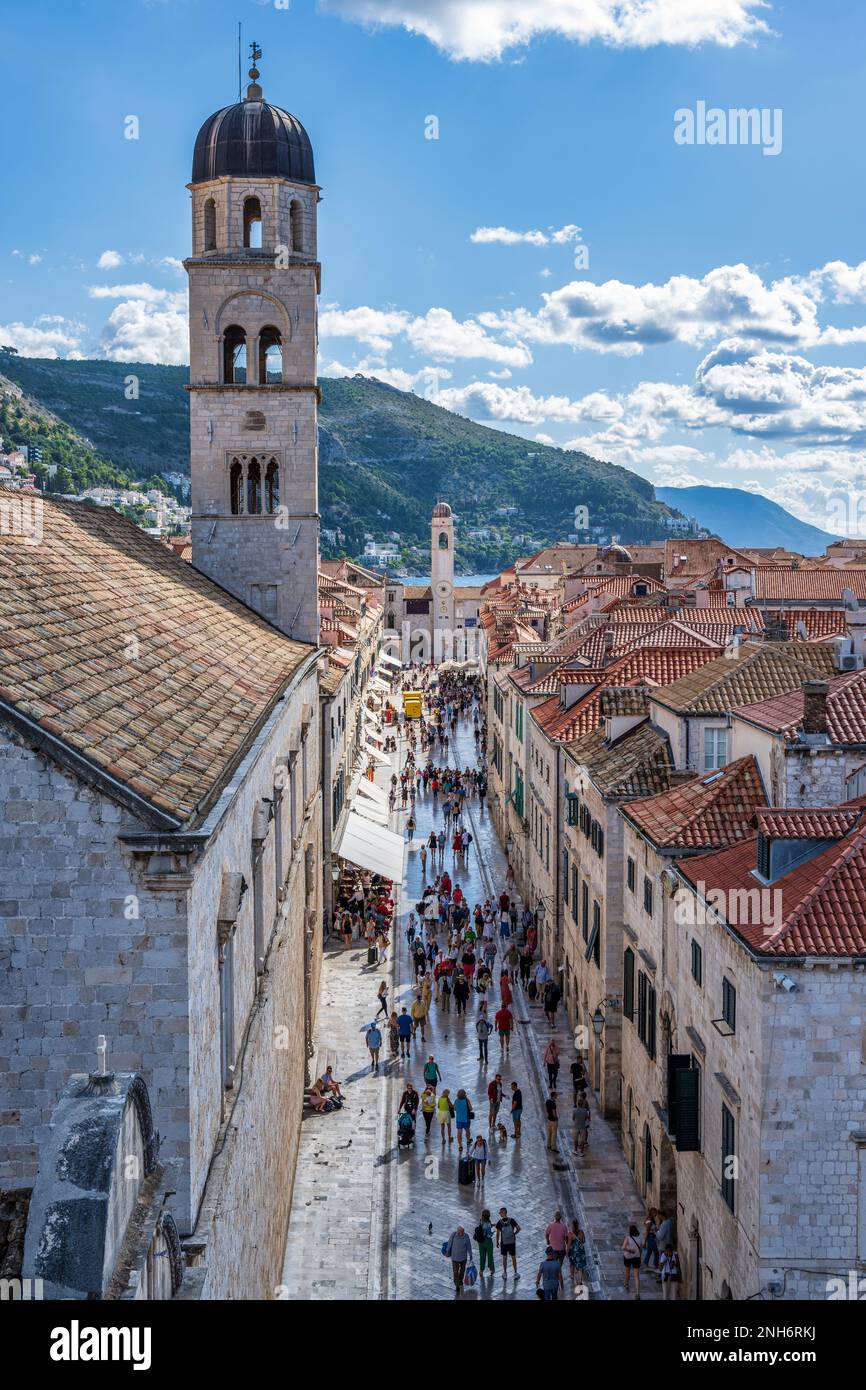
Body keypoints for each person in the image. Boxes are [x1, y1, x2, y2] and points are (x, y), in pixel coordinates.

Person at [445, 1226, 473, 1294]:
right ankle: (457, 1285)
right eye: (460, 1232)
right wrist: (447, 1251)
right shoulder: (453, 1235)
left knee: (462, 1271)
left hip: (463, 1257)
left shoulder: (466, 1237)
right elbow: (449, 1243)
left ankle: (460, 1280)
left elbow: (469, 1246)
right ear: (457, 1231)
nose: (461, 1233)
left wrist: (471, 1254)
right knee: (455, 1271)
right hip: (455, 1257)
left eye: (462, 1232)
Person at [495, 1207, 521, 1280]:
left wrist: (497, 1242)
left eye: (500, 1212)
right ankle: (515, 1272)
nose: (499, 1214)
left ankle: (505, 1273)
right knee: (513, 1257)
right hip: (512, 1242)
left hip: (504, 1242)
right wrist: (514, 1234)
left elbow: (497, 1234)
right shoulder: (512, 1220)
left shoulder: (499, 1222)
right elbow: (519, 1228)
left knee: (504, 1257)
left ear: (503, 1213)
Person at [622, 1225, 643, 1298]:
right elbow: (641, 1249)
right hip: (637, 1258)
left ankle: (626, 1283)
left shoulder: (628, 1238)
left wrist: (630, 1250)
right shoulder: (640, 1238)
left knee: (627, 1272)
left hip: (628, 1257)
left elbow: (623, 1247)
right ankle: (637, 1293)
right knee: (636, 1276)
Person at [567, 1222, 588, 1287]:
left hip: (574, 1252)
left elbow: (569, 1244)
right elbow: (584, 1241)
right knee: (581, 1267)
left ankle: (572, 1275)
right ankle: (580, 1281)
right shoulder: (581, 1232)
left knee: (572, 1263)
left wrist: (567, 1252)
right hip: (581, 1251)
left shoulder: (571, 1234)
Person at [475, 1209, 495, 1276]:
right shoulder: (488, 1223)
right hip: (487, 1241)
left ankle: (481, 1270)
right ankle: (492, 1269)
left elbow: (483, 1228)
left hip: (480, 1241)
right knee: (490, 1256)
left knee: (482, 1256)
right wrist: (493, 1231)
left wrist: (492, 1225)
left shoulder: (481, 1221)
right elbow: (489, 1234)